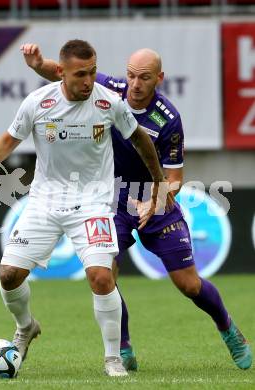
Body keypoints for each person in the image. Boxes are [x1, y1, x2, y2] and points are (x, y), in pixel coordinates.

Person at [20, 43, 253, 371]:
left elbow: (174, 177)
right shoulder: (108, 89)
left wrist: (154, 202)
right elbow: (62, 73)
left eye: (144, 77)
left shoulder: (168, 118)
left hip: (156, 201)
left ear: (159, 78)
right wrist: (35, 64)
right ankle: (123, 346)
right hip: (111, 199)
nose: (135, 84)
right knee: (105, 270)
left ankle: (228, 328)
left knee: (188, 283)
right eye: (130, 75)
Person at [0, 39, 168, 376]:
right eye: (80, 74)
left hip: (93, 204)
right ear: (62, 73)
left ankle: (113, 358)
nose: (89, 81)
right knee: (9, 275)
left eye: (93, 72)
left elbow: (140, 138)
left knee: (101, 277)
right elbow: (7, 142)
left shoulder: (108, 102)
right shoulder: (38, 103)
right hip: (45, 201)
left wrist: (158, 181)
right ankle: (26, 326)